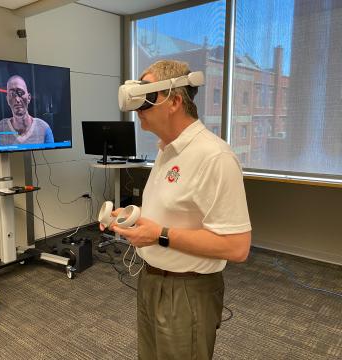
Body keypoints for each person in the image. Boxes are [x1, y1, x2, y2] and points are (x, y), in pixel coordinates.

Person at [101, 60, 252, 360]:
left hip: (187, 290)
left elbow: (238, 248)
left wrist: (161, 236)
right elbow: (172, 212)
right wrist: (135, 217)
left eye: (146, 99)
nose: (138, 108)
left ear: (175, 102)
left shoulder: (214, 157)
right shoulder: (165, 150)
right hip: (151, 280)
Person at [0, 75, 54, 145]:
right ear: (7, 99)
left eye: (20, 93)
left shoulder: (43, 127)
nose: (17, 99)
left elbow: (51, 153)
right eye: (12, 94)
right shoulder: (1, 128)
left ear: (29, 98)